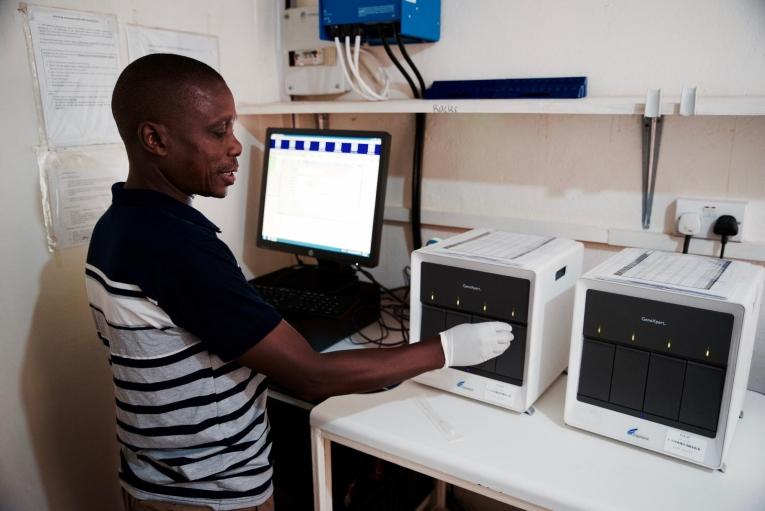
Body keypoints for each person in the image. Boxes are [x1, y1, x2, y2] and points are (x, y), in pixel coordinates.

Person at [85, 53, 513, 511]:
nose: (235, 146)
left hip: (150, 477)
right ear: (154, 139)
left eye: (232, 128)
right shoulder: (178, 247)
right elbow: (311, 376)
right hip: (210, 494)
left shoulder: (118, 224)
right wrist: (447, 349)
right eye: (217, 131)